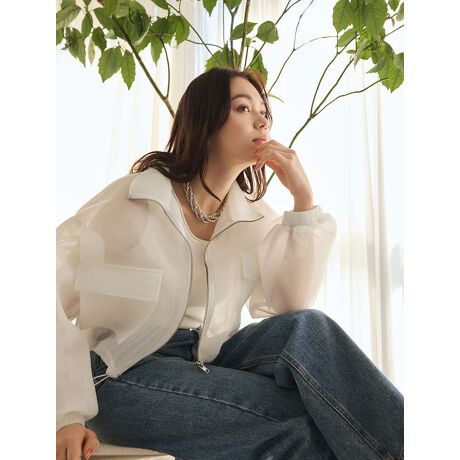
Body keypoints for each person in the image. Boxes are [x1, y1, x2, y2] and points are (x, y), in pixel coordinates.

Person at [56, 67, 404, 460]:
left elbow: (289, 304)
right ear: (206, 122)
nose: (262, 121)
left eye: (264, 112)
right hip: (122, 374)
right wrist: (66, 413)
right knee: (305, 427)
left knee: (309, 328)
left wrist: (303, 201)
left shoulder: (251, 217)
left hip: (207, 360)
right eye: (243, 108)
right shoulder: (136, 201)